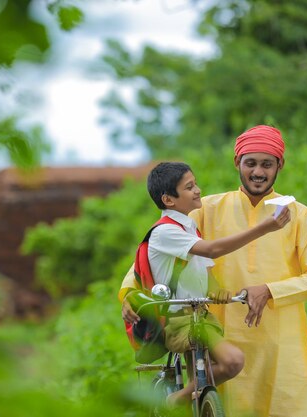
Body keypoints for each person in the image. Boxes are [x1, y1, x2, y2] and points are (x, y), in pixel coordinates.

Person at [121, 125, 307, 417]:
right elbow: (153, 254)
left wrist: (269, 290)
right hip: (220, 331)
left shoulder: (298, 215)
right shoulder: (205, 209)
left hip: (282, 344)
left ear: (280, 165)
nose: (258, 172)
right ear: (237, 163)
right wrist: (130, 294)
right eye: (251, 163)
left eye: (267, 164)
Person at [122, 161, 291, 406]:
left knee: (201, 381)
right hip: (177, 320)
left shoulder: (189, 228)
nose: (198, 190)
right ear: (169, 200)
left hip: (199, 316)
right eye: (189, 187)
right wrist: (264, 228)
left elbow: (205, 275)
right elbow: (212, 251)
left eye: (195, 184)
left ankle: (187, 401)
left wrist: (219, 291)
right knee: (232, 361)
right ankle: (175, 401)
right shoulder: (164, 232)